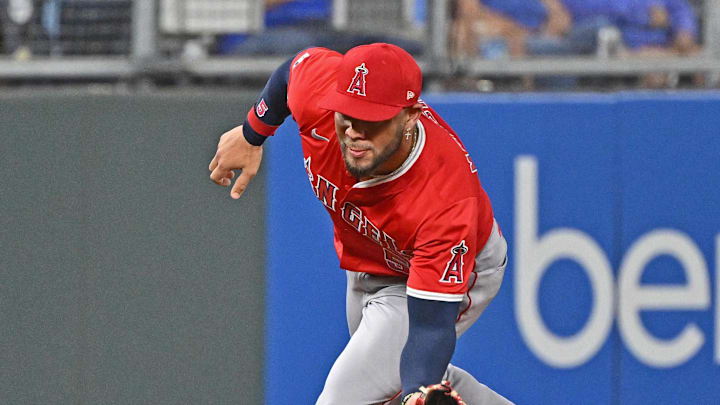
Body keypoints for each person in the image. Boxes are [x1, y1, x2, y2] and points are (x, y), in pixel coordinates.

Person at [209, 43, 512, 405]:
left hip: (450, 265)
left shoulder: (445, 202)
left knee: (350, 396)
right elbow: (292, 73)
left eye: (372, 119)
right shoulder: (320, 94)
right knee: (393, 381)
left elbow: (430, 327)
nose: (354, 131)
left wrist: (419, 390)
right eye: (347, 114)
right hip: (369, 260)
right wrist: (252, 132)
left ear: (411, 116)